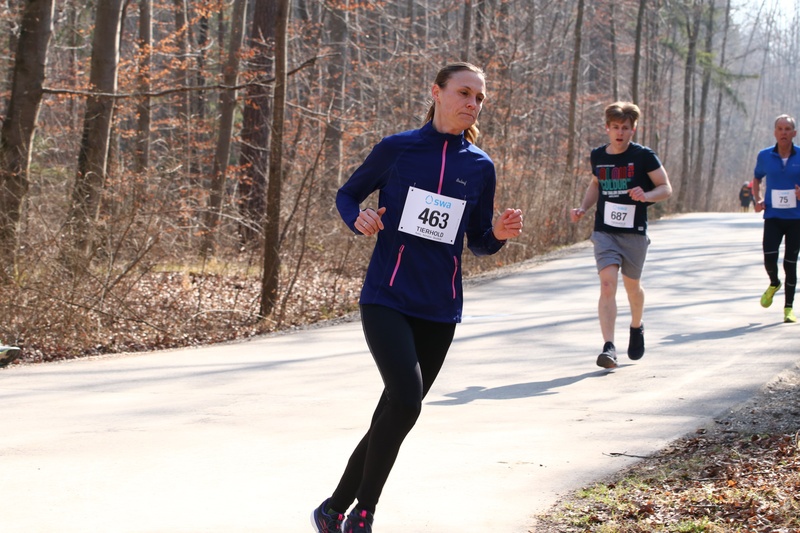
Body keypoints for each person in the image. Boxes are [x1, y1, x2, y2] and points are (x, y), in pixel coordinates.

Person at [311, 62, 523, 533]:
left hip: (440, 308)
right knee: (407, 403)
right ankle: (364, 513)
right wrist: (358, 218)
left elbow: (478, 242)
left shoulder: (480, 166)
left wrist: (499, 233)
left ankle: (333, 509)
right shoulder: (398, 148)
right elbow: (347, 195)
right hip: (386, 297)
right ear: (437, 92)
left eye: (479, 98)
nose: (472, 103)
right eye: (464, 93)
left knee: (393, 411)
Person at [570, 101, 672, 369]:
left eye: (625, 128)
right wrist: (583, 207)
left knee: (632, 287)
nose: (620, 132)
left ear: (633, 130)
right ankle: (609, 347)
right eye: (615, 127)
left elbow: (665, 188)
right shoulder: (598, 156)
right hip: (605, 231)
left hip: (634, 233)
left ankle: (636, 325)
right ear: (607, 128)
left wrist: (646, 195)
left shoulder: (644, 156)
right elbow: (595, 184)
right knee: (607, 284)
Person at [752, 114, 800, 324]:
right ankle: (774, 283)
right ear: (775, 132)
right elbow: (756, 178)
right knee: (769, 258)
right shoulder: (765, 156)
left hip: (796, 219)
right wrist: (757, 199)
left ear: (794, 133)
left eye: (787, 129)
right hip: (773, 216)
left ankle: (788, 308)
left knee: (791, 263)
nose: (783, 133)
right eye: (780, 129)